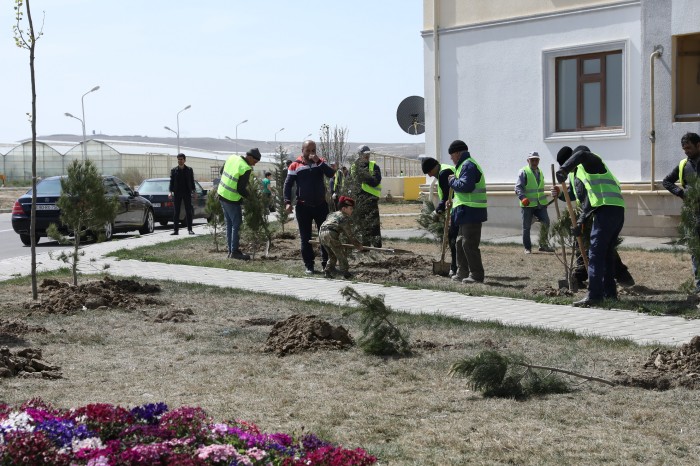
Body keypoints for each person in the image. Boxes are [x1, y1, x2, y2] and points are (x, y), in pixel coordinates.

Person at [552, 151, 634, 289]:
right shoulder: (573, 174)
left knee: (598, 249)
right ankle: (584, 276)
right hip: (590, 212)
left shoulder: (586, 167)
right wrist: (560, 193)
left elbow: (590, 196)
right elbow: (573, 194)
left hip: (595, 211)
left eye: (568, 164)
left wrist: (582, 219)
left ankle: (617, 278)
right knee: (586, 246)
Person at [284, 139, 336, 274]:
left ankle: (326, 264)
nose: (311, 153)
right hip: (303, 207)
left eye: (313, 150)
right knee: (305, 237)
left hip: (320, 205)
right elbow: (288, 184)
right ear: (302, 151)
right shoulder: (295, 165)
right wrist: (287, 202)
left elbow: (331, 174)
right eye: (308, 150)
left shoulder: (320, 162)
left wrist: (318, 161)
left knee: (324, 235)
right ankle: (309, 265)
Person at [662, 132, 700, 293]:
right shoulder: (684, 165)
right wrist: (681, 193)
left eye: (689, 148)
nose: (686, 151)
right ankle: (699, 285)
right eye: (684, 149)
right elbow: (666, 181)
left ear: (698, 145)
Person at [447, 140, 487, 284]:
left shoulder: (468, 165)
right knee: (460, 243)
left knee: (468, 244)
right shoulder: (462, 166)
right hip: (464, 211)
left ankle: (476, 275)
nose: (451, 158)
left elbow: (466, 186)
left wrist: (451, 181)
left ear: (458, 153)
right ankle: (462, 272)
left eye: (452, 155)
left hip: (472, 211)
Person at [217, 148, 261, 260]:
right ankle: (234, 252)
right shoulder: (245, 168)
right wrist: (252, 199)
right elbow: (241, 189)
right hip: (231, 199)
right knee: (236, 225)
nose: (254, 165)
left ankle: (231, 251)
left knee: (230, 225)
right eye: (255, 162)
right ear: (250, 157)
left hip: (222, 194)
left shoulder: (232, 157)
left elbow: (222, 172)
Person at [421, 156, 457, 276]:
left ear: (434, 167)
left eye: (429, 172)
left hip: (457, 208)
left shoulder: (444, 173)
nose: (430, 176)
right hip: (454, 208)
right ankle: (456, 266)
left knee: (453, 239)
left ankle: (456, 267)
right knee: (453, 238)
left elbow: (447, 195)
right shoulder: (444, 170)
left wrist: (437, 211)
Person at [515, 151, 553, 254]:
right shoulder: (523, 171)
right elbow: (518, 187)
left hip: (540, 204)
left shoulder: (540, 172)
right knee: (526, 227)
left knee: (546, 222)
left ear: (539, 161)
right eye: (532, 160)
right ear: (528, 160)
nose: (535, 162)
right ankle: (527, 248)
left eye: (536, 160)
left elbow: (538, 189)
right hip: (527, 204)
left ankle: (543, 245)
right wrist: (522, 197)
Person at [319, 196, 364, 279]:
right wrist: (358, 245)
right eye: (350, 209)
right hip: (330, 234)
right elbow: (349, 235)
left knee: (332, 255)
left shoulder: (332, 214)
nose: (352, 211)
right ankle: (346, 273)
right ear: (344, 209)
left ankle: (327, 271)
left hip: (321, 233)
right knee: (341, 254)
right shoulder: (344, 218)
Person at [351, 145, 382, 247]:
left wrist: (363, 176)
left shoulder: (374, 167)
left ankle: (377, 245)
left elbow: (375, 182)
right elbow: (350, 182)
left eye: (368, 154)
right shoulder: (354, 168)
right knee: (363, 224)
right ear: (360, 155)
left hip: (372, 200)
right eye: (365, 154)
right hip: (359, 201)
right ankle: (365, 246)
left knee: (374, 224)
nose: (367, 156)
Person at [168, 153, 196, 236]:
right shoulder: (174, 170)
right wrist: (170, 192)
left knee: (188, 211)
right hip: (177, 193)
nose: (180, 161)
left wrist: (194, 191)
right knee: (176, 212)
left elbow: (192, 181)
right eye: (178, 159)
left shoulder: (189, 170)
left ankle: (190, 229)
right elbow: (171, 182)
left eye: (181, 159)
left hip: (187, 192)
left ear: (184, 160)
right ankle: (176, 230)